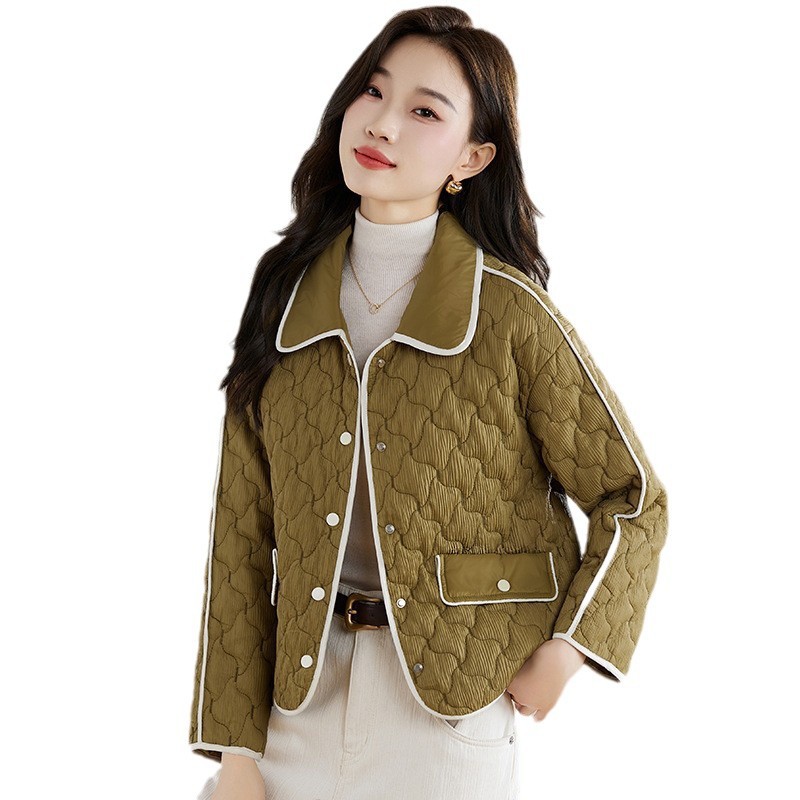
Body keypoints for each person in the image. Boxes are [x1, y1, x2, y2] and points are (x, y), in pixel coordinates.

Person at [189, 7, 669, 800]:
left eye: (424, 111)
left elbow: (635, 498)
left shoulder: (510, 314)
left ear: (472, 158)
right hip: (292, 712)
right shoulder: (282, 298)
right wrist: (234, 752)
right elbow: (240, 532)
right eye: (373, 92)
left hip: (447, 718)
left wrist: (567, 651)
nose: (382, 123)